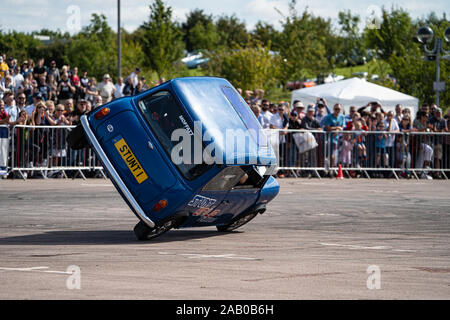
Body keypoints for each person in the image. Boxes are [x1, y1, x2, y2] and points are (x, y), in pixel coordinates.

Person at [322, 104, 345, 168]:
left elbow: (342, 127)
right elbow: (327, 128)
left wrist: (337, 129)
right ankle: (324, 169)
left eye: (339, 109)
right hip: (327, 138)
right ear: (333, 109)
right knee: (326, 154)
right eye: (336, 109)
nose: (337, 110)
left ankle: (332, 169)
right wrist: (337, 127)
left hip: (337, 139)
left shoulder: (342, 117)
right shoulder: (329, 117)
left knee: (333, 154)